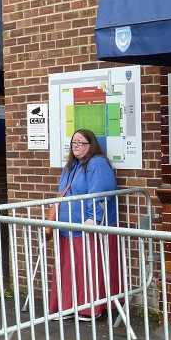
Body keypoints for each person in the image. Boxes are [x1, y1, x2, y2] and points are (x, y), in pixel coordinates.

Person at [48, 129, 119, 321]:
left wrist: (93, 219)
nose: (77, 146)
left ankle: (88, 308)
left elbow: (99, 193)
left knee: (84, 268)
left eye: (81, 142)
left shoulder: (96, 164)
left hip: (85, 229)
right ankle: (68, 306)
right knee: (70, 268)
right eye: (73, 143)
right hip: (67, 228)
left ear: (91, 144)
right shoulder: (71, 166)